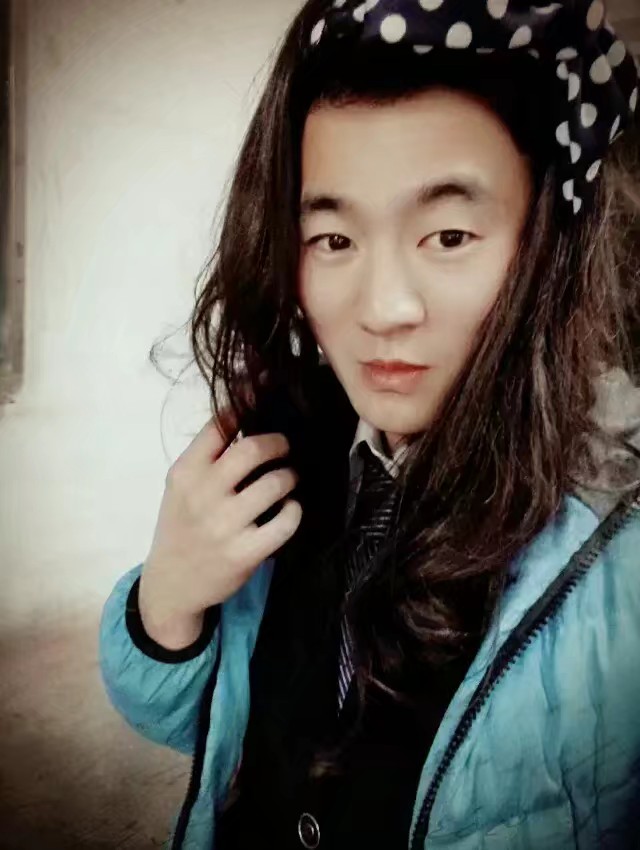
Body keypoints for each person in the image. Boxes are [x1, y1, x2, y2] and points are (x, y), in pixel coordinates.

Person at [99, 1, 640, 848]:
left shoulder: (618, 544)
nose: (383, 309)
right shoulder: (285, 443)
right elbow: (204, 729)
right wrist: (165, 605)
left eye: (449, 235)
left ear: (543, 242)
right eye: (334, 240)